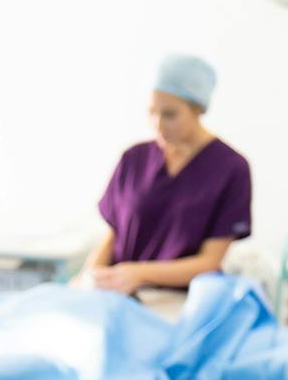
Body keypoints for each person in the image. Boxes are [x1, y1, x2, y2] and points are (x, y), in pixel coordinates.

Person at [78, 53, 252, 302]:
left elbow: (210, 262)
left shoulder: (231, 168)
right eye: (151, 112)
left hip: (182, 299)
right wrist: (90, 276)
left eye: (169, 114)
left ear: (198, 109)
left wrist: (139, 274)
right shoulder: (133, 158)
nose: (157, 124)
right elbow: (113, 235)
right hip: (117, 293)